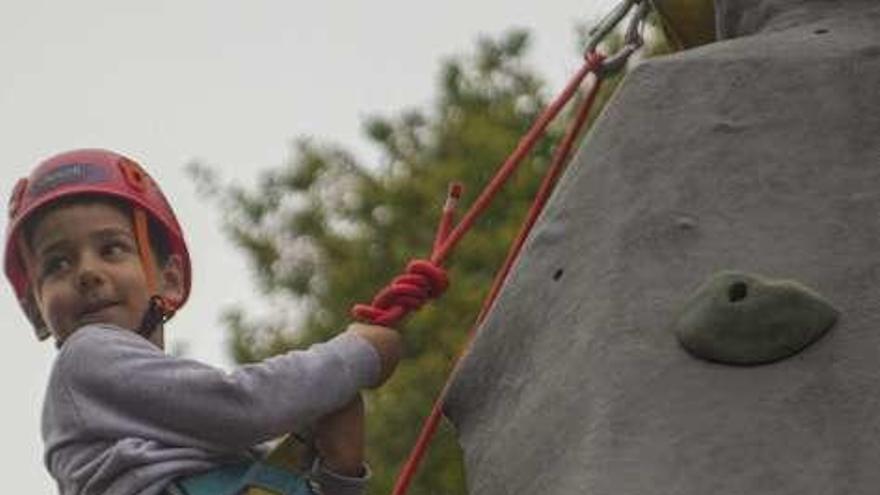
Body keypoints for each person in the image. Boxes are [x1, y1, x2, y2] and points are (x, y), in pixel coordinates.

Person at [4, 149, 445, 495]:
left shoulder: (194, 440)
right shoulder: (86, 358)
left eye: (112, 249)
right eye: (57, 264)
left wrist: (338, 471)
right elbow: (246, 404)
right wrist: (358, 355)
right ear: (37, 310)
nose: (86, 272)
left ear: (170, 279)